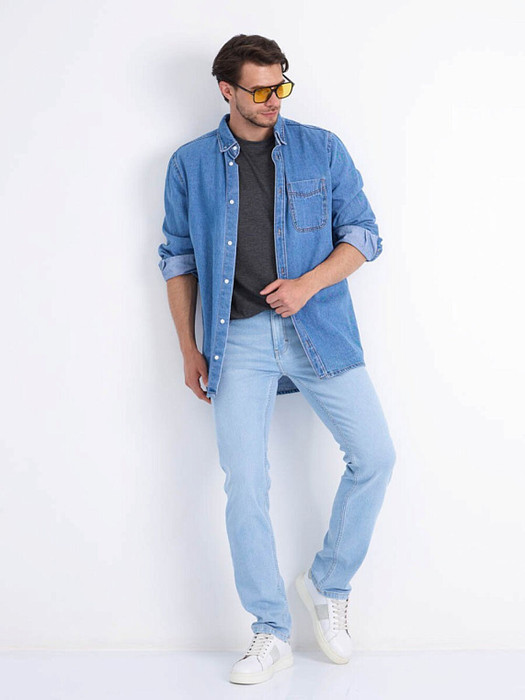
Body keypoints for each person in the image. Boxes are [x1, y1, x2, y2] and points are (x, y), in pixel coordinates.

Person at [157, 34, 396, 685]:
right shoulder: (190, 164)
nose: (272, 101)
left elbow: (364, 235)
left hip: (318, 329)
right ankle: (270, 631)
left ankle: (327, 584)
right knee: (245, 484)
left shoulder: (322, 148)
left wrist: (307, 285)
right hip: (235, 341)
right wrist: (188, 348)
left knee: (375, 456)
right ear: (226, 90)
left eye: (280, 86)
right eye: (259, 90)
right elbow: (177, 259)